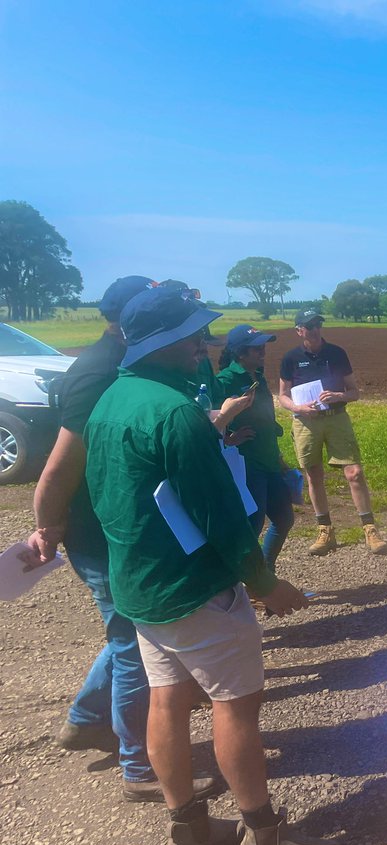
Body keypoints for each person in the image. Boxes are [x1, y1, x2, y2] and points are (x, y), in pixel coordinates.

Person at [84, 283, 342, 845]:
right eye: (194, 335)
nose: (203, 346)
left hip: (141, 586)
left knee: (167, 703)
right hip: (196, 588)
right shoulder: (175, 413)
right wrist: (262, 581)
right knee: (236, 708)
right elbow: (218, 513)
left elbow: (106, 497)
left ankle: (190, 834)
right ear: (166, 340)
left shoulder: (113, 398)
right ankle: (265, 841)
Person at [24, 276, 221, 804]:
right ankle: (139, 768)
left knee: (124, 634)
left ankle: (86, 719)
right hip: (103, 534)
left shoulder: (116, 362)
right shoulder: (101, 372)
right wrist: (48, 525)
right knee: (134, 644)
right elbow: (60, 468)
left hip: (114, 529)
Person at [278, 308, 386, 556]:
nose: (315, 330)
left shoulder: (336, 354)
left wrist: (338, 396)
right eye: (309, 325)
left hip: (337, 418)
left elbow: (354, 392)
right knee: (313, 475)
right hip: (305, 422)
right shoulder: (290, 358)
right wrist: (298, 407)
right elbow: (283, 396)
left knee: (354, 473)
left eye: (318, 324)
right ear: (299, 330)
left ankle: (370, 528)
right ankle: (325, 530)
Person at [213, 324, 294, 571]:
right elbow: (209, 418)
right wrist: (227, 438)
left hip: (268, 457)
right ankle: (250, 583)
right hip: (246, 462)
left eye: (263, 346)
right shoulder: (225, 380)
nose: (263, 351)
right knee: (254, 524)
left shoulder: (256, 376)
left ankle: (265, 573)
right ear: (240, 353)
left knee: (284, 518)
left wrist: (279, 458)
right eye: (256, 348)